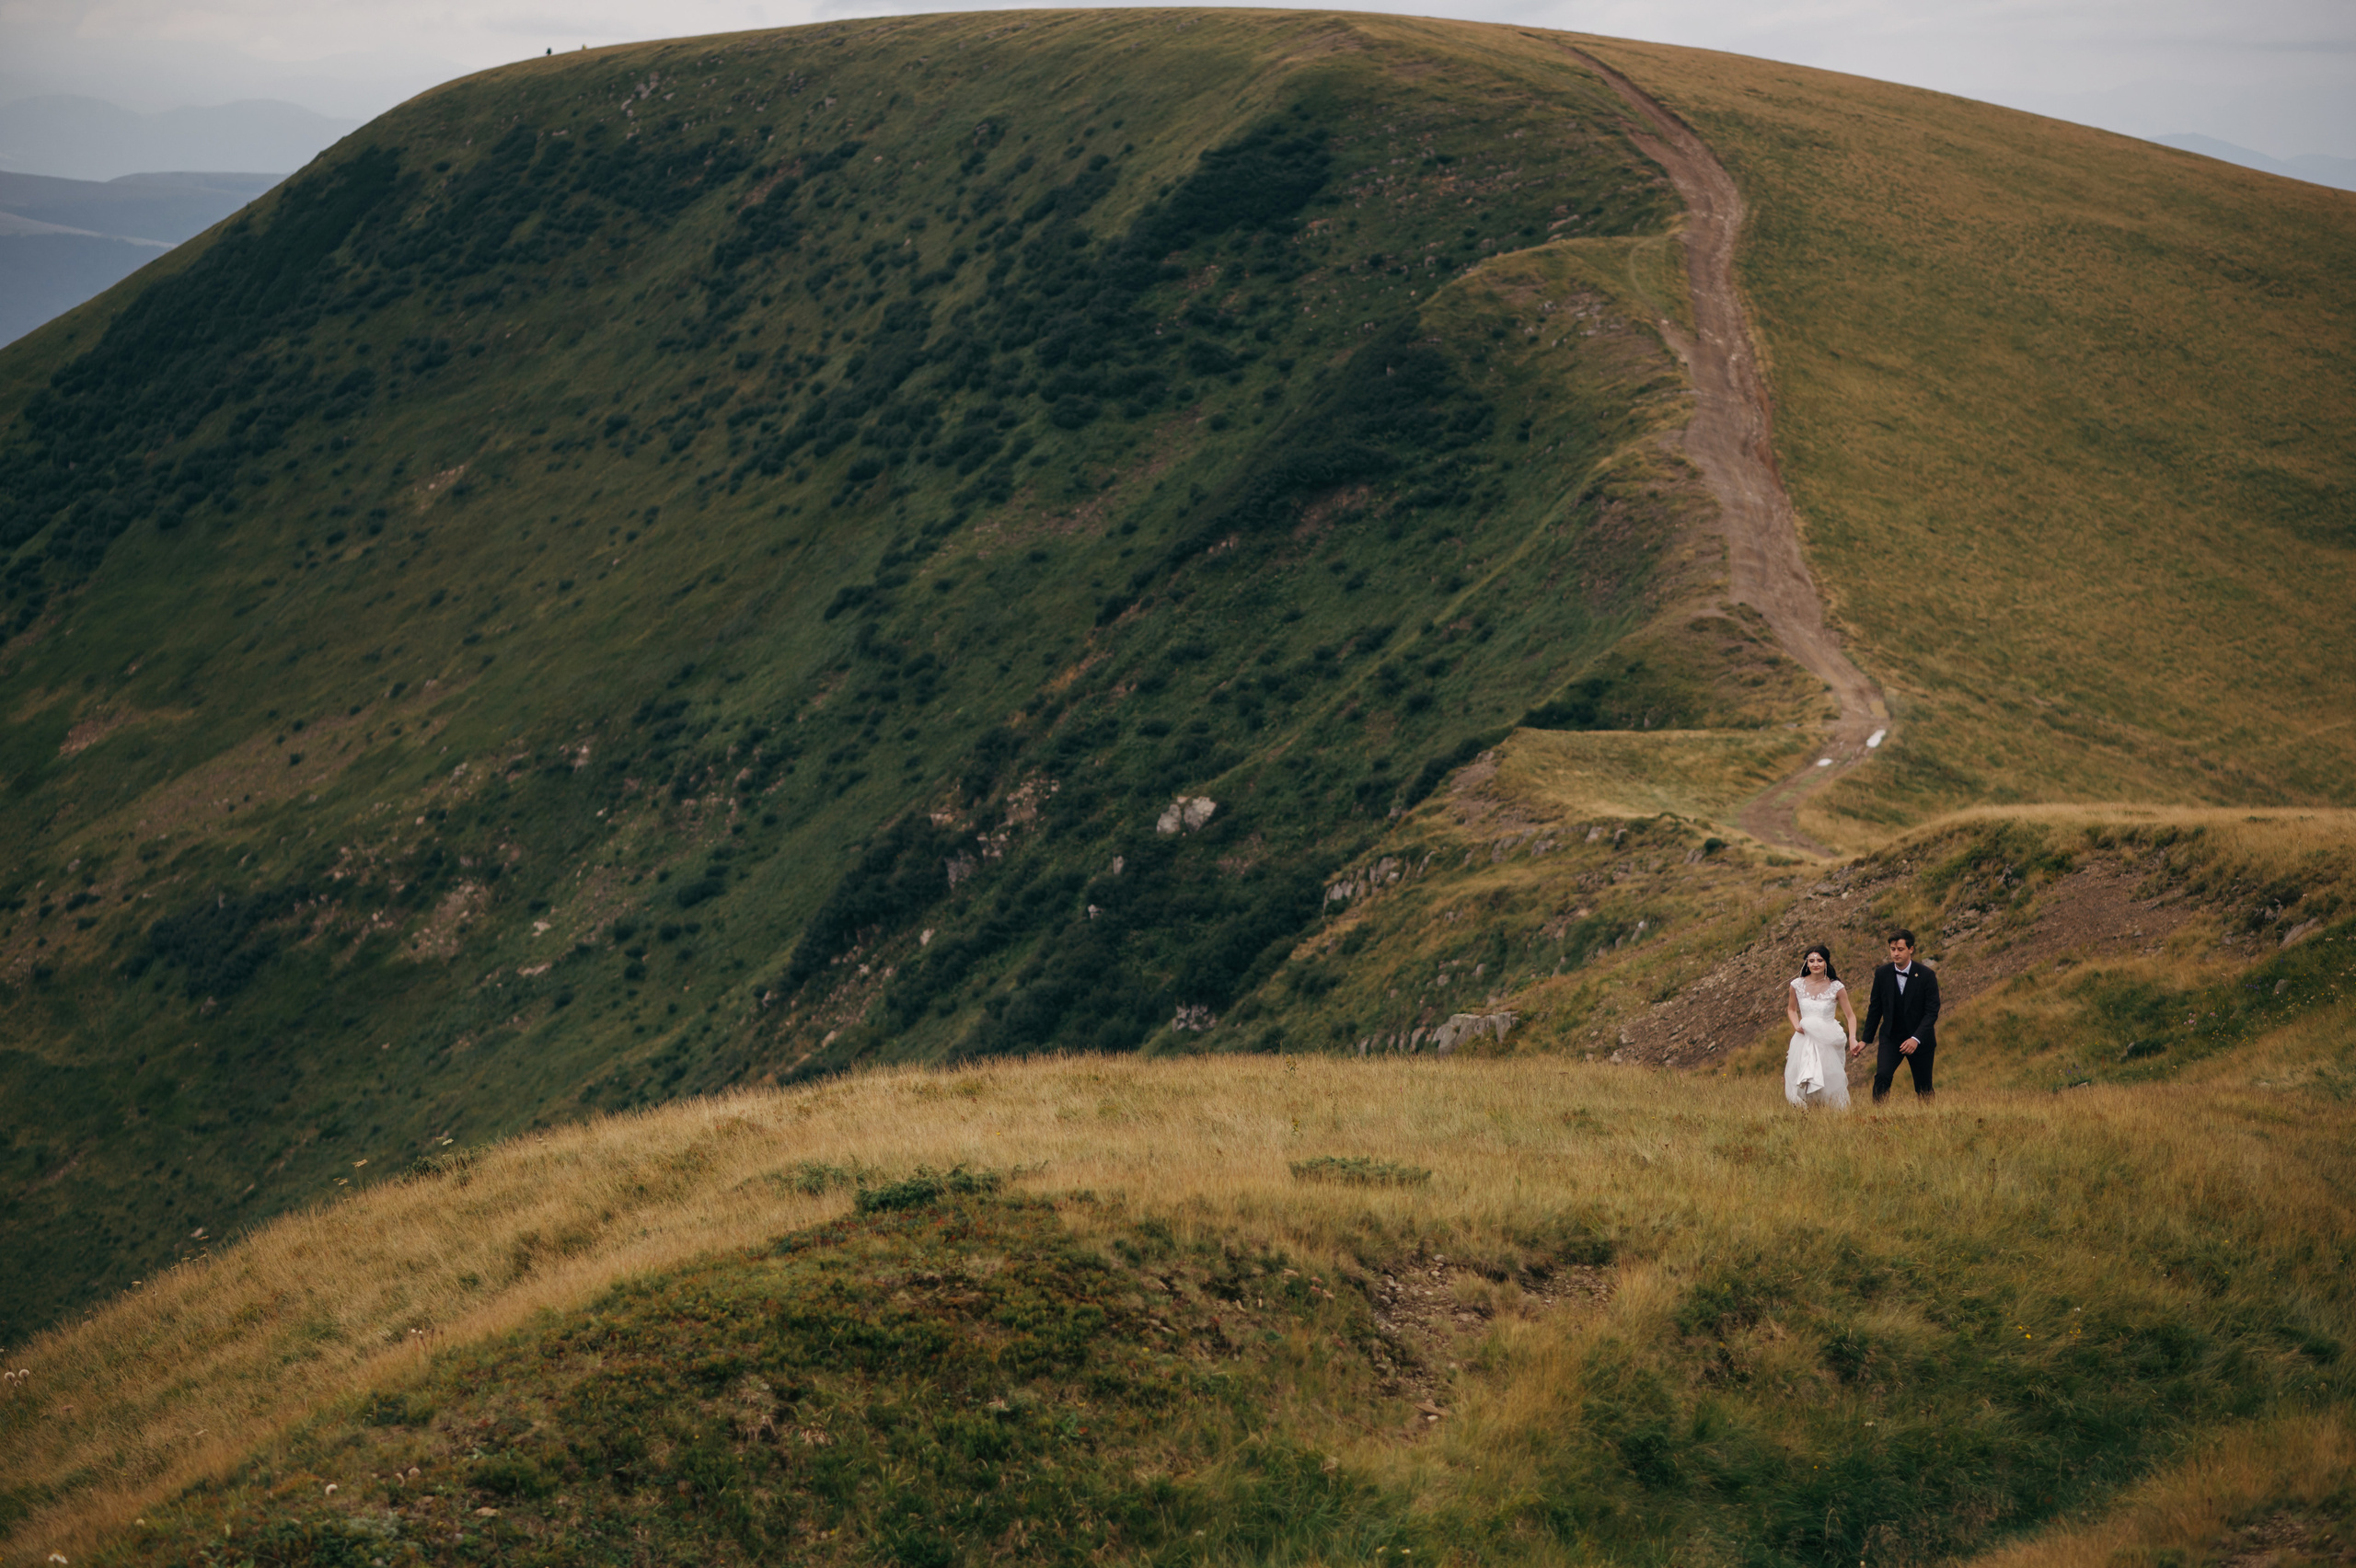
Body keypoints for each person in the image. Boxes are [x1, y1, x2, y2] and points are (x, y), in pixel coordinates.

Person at [1854, 929, 1940, 1101]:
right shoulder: (1882, 973)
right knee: (1882, 1076)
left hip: (1920, 1040)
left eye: (1900, 949)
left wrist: (1916, 1039)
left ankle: (1929, 1121)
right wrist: (1865, 1040)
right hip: (1891, 1037)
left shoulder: (1927, 975)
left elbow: (1932, 1012)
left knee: (1923, 1087)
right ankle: (1877, 1117)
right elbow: (1875, 1008)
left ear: (1911, 949)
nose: (1895, 953)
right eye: (1893, 949)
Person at [1784, 944, 1861, 1109]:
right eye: (1811, 961)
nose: (1815, 964)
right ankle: (1807, 1115)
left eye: (1819, 960)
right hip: (1804, 1039)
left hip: (1827, 1040)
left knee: (1827, 1079)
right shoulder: (1797, 985)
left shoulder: (1836, 987)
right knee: (1801, 1077)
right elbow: (1791, 1009)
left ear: (1826, 962)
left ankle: (1829, 1114)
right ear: (1806, 963)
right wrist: (1797, 1026)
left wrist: (1853, 1038)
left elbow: (1850, 1015)